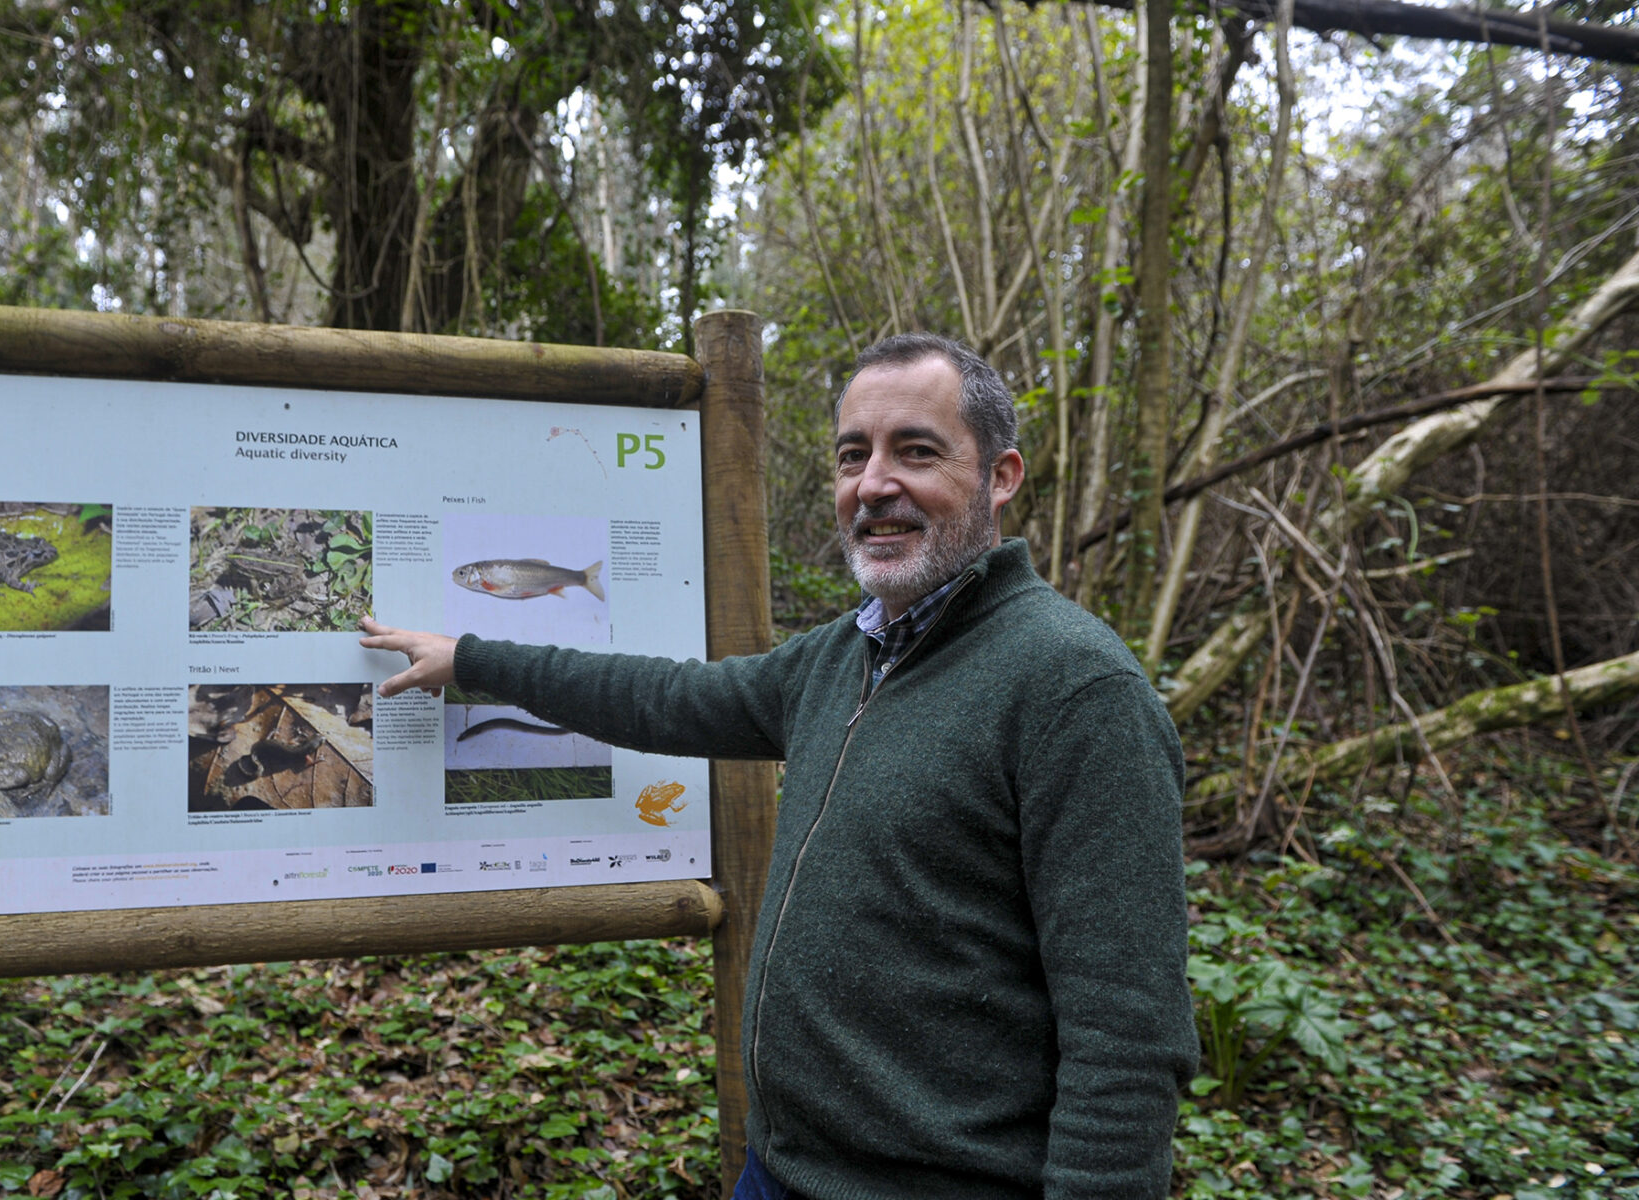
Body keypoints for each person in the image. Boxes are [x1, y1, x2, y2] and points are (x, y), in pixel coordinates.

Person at [360, 333, 1197, 1199]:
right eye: (852, 456)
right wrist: (474, 657)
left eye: (916, 451)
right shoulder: (848, 655)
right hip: (781, 1173)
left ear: (1002, 475)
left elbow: (1127, 1040)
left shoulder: (1074, 689)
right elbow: (663, 698)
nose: (873, 484)